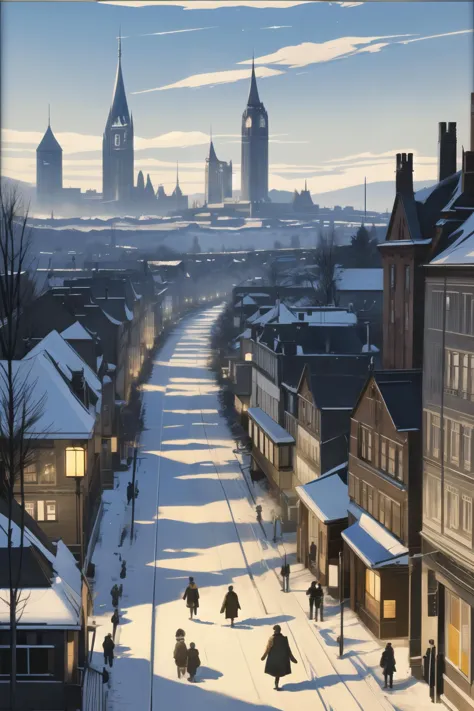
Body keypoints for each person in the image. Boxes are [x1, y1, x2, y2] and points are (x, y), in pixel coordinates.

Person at [261, 624, 297, 691]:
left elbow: (268, 648)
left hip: (274, 659)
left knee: (276, 673)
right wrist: (292, 658)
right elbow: (288, 649)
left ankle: (276, 685)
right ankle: (276, 684)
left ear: (275, 631)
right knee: (278, 674)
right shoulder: (284, 639)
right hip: (282, 659)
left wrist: (264, 656)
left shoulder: (272, 638)